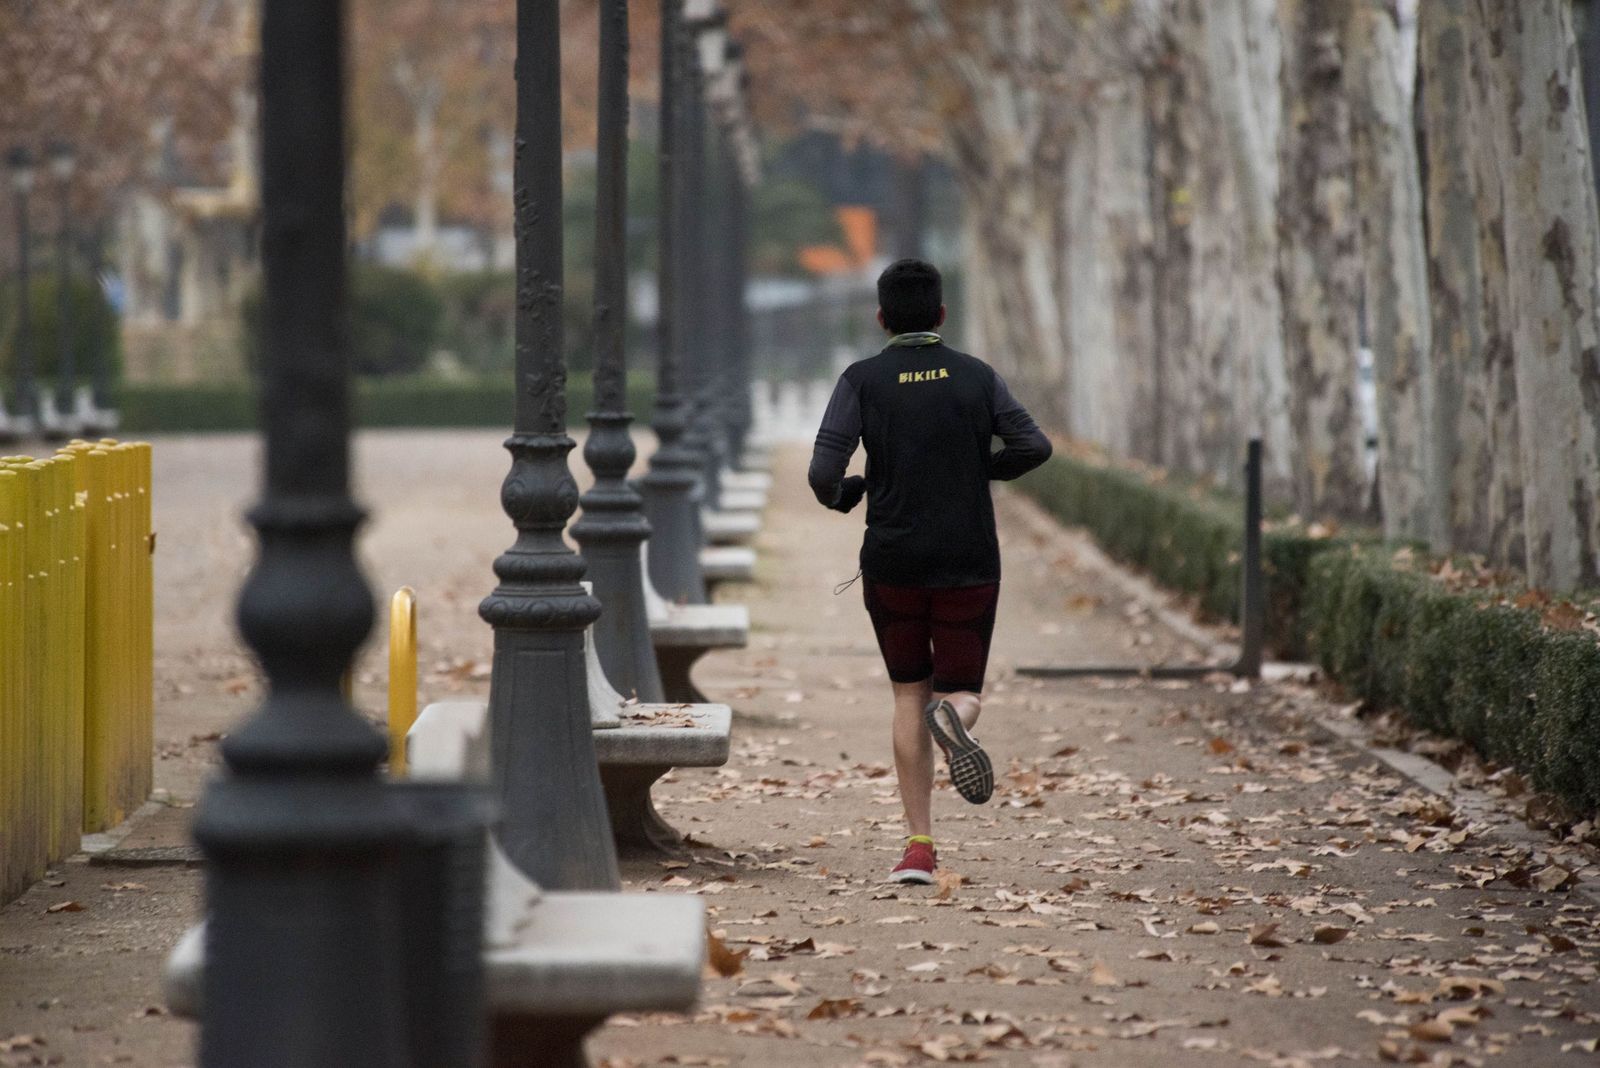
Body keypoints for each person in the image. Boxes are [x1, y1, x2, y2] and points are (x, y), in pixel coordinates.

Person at [807, 258, 1052, 885]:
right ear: (942, 315)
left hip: (893, 562)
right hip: (969, 558)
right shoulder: (977, 377)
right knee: (959, 690)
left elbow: (822, 475)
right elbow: (1034, 447)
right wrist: (979, 470)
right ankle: (957, 722)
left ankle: (918, 847)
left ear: (882, 317)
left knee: (907, 693)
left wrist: (849, 493)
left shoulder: (862, 380)